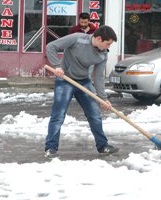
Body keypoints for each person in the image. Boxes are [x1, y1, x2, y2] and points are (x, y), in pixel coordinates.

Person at [45, 25, 119, 158]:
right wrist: (56, 66)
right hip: (65, 79)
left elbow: (98, 76)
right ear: (98, 38)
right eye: (107, 43)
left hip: (84, 82)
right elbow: (51, 46)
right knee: (58, 115)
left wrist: (103, 98)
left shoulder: (103, 54)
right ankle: (51, 148)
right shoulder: (77, 39)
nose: (108, 47)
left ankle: (103, 146)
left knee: (95, 115)